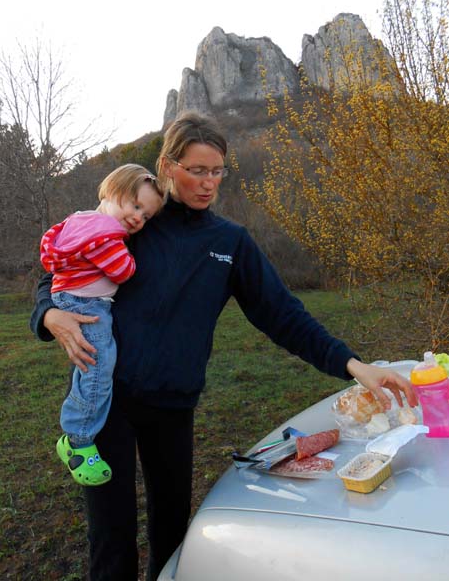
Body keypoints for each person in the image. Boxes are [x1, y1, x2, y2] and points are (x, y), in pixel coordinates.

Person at [30, 112, 418, 580]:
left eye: (217, 171)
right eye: (196, 170)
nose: (208, 182)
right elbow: (60, 273)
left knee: (173, 536)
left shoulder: (229, 241)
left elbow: (283, 314)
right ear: (169, 166)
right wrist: (48, 315)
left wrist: (354, 365)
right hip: (108, 402)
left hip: (174, 406)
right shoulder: (137, 223)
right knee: (111, 542)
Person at [39, 164, 165, 486]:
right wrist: (133, 258)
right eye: (135, 205)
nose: (139, 218)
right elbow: (123, 272)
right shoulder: (106, 234)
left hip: (71, 297)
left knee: (91, 364)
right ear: (112, 191)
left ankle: (79, 431)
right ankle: (77, 441)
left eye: (147, 216)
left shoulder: (81, 220)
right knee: (98, 365)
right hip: (87, 306)